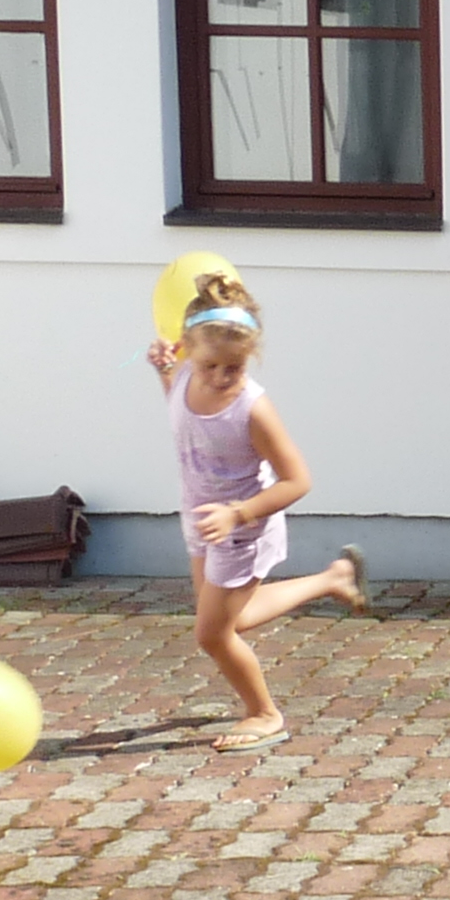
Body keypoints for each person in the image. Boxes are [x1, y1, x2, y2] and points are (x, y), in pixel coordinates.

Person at [146, 271, 365, 756]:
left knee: (212, 634)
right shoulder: (182, 377)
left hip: (242, 527)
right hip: (201, 520)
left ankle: (265, 715)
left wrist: (238, 514)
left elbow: (297, 480)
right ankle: (333, 578)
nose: (221, 377)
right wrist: (163, 372)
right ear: (185, 349)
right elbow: (186, 415)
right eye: (210, 365)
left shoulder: (253, 409)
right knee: (232, 619)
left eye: (235, 367)